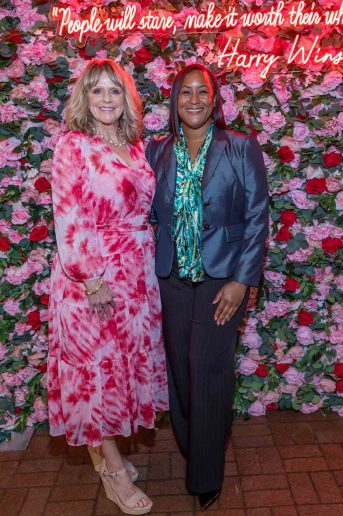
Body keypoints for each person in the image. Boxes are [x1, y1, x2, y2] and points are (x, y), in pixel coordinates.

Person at [48, 58, 168, 515]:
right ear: (84, 97)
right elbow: (69, 215)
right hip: (93, 277)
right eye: (95, 91)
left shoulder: (135, 147)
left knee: (121, 367)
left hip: (136, 274)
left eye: (114, 91)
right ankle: (114, 473)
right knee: (95, 373)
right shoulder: (72, 146)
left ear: (127, 98)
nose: (105, 99)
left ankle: (106, 453)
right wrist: (90, 277)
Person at [146, 63, 269, 510]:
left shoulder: (239, 147)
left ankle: (206, 475)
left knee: (208, 368)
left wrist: (242, 280)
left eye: (203, 92)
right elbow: (150, 214)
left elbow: (257, 216)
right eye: (185, 93)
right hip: (171, 278)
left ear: (214, 100)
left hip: (222, 280)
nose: (194, 100)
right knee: (180, 370)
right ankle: (195, 448)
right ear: (175, 101)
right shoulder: (156, 151)